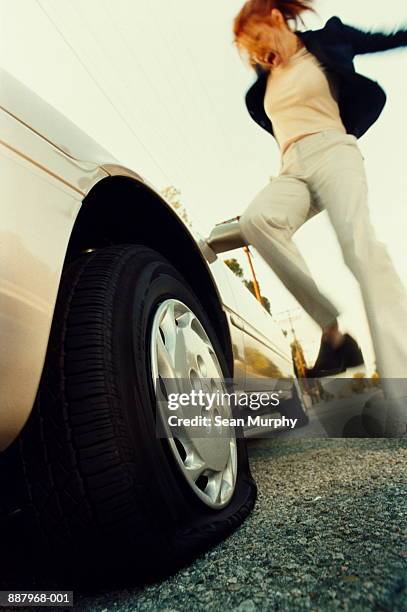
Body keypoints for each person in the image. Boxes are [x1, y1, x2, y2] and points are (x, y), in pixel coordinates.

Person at [232, 0, 407, 432]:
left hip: (334, 152)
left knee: (360, 250)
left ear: (275, 19)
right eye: (247, 51)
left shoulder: (328, 41)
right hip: (292, 168)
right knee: (257, 220)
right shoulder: (263, 82)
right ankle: (333, 335)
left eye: (256, 40)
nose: (255, 53)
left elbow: (388, 39)